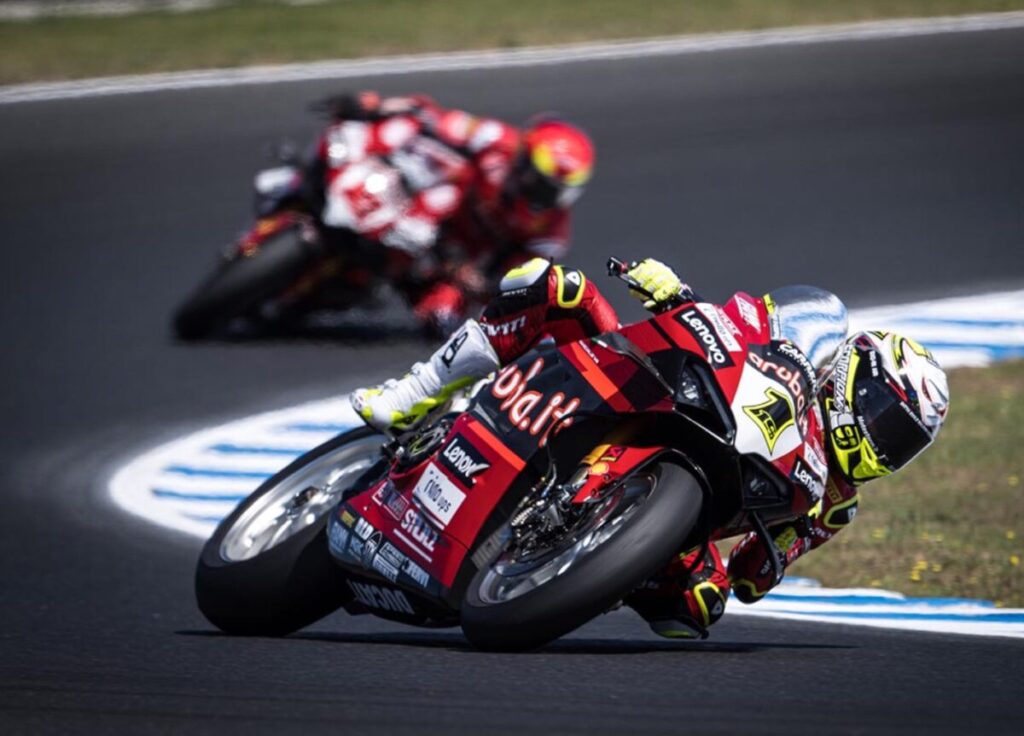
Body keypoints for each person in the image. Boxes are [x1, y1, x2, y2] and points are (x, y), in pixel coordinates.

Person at [350, 257, 950, 638]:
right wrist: (677, 296)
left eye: (900, 445)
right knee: (554, 287)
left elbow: (750, 577)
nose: (881, 444)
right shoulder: (809, 334)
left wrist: (740, 573)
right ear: (857, 377)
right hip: (654, 389)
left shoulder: (834, 505)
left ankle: (580, 561)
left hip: (698, 502)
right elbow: (739, 322)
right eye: (886, 421)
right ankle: (416, 393)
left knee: (694, 614)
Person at [300, 91, 595, 335]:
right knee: (398, 128)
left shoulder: (549, 233)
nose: (548, 196)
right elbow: (431, 116)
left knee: (445, 321)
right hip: (427, 204)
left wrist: (478, 281)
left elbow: (520, 283)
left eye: (559, 190)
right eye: (542, 183)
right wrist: (375, 107)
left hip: (453, 260)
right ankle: (321, 171)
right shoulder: (494, 138)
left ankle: (362, 284)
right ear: (524, 161)